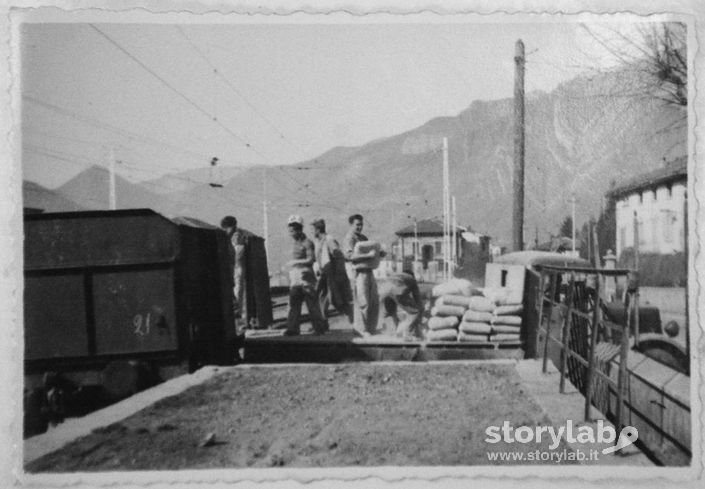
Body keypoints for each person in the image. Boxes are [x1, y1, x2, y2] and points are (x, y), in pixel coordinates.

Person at [284, 215, 328, 336]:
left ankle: (319, 328)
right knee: (294, 304)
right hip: (295, 277)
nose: (290, 232)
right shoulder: (293, 243)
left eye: (293, 230)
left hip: (306, 276)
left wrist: (295, 262)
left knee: (312, 304)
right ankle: (292, 329)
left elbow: (311, 259)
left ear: (299, 229)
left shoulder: (307, 243)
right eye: (290, 229)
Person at [343, 214, 382, 337]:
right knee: (362, 301)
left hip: (369, 271)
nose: (360, 227)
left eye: (361, 224)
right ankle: (360, 329)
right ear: (351, 225)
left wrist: (379, 254)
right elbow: (349, 257)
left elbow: (370, 253)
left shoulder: (363, 237)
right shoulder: (349, 238)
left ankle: (370, 327)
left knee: (373, 300)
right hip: (358, 273)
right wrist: (368, 256)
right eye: (357, 225)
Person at [311, 218, 354, 324]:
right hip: (325, 274)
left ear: (317, 230)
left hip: (333, 275)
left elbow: (338, 254)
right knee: (321, 297)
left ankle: (353, 317)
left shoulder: (329, 239)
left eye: (313, 229)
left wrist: (338, 274)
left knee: (336, 300)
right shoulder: (319, 241)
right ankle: (322, 322)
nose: (312, 232)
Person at [378, 271, 424, 340]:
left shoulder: (395, 275)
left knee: (389, 313)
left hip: (382, 291)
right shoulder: (412, 279)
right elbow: (417, 298)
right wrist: (420, 311)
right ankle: (408, 333)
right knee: (414, 312)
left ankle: (391, 332)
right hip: (396, 290)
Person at [220, 215, 247, 321]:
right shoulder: (230, 238)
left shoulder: (237, 237)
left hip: (236, 269)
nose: (226, 231)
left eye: (227, 228)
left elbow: (238, 255)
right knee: (235, 294)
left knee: (237, 293)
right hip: (233, 270)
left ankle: (238, 318)